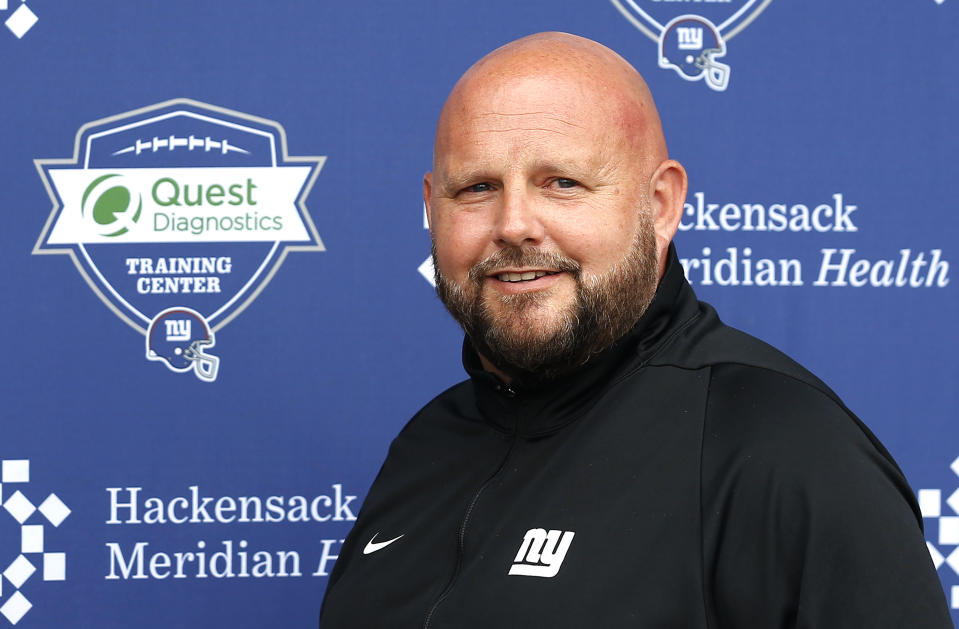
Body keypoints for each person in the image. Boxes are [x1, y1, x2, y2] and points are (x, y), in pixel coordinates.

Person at [320, 32, 951, 627]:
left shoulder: (783, 448)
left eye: (562, 183)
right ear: (433, 208)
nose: (513, 225)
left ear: (661, 205)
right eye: (478, 188)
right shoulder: (428, 442)